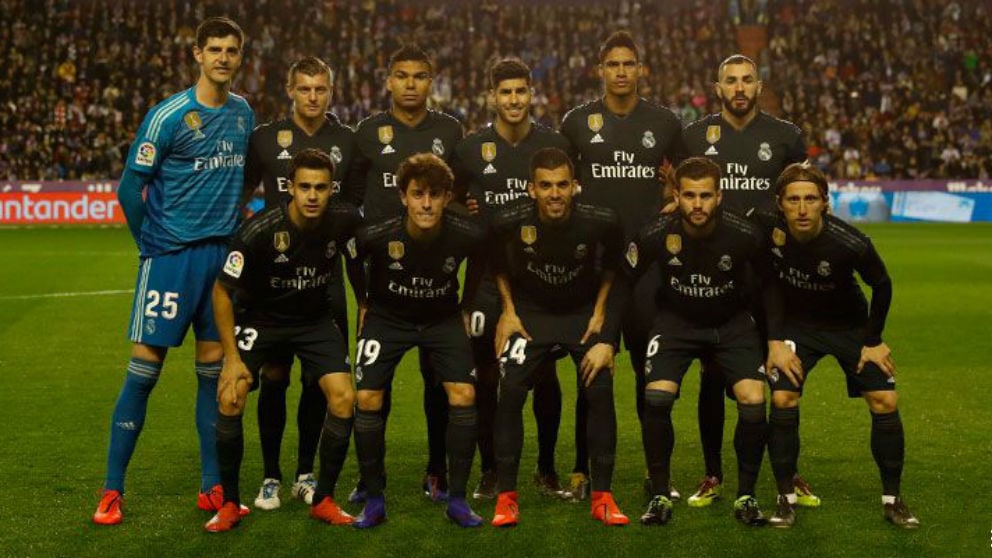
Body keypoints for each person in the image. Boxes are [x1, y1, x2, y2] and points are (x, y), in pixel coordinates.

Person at [93, 17, 254, 526]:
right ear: (197, 54)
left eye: (232, 50)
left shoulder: (243, 114)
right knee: (144, 372)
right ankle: (112, 491)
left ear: (239, 57)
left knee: (211, 374)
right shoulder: (168, 116)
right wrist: (151, 248)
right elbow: (128, 189)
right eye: (214, 49)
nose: (223, 57)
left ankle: (212, 487)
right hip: (171, 261)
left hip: (220, 263)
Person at [628, 157, 792, 527]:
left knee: (753, 401)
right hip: (676, 323)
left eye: (705, 195)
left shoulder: (744, 234)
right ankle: (658, 493)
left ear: (719, 196)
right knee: (657, 397)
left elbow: (770, 286)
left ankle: (746, 496)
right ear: (676, 195)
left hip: (731, 324)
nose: (697, 204)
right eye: (689, 195)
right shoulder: (656, 232)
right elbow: (623, 278)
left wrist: (776, 340)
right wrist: (610, 335)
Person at [205, 149, 363, 532]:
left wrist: (367, 305)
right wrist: (231, 359)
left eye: (321, 188)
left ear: (331, 190)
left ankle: (323, 498)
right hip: (263, 320)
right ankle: (228, 504)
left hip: (313, 321)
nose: (312, 195)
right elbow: (222, 292)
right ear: (289, 187)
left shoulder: (343, 220)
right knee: (231, 393)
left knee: (344, 397)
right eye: (304, 186)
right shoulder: (259, 231)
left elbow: (361, 259)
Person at [754, 163, 918, 529]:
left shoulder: (852, 243)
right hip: (797, 326)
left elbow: (883, 284)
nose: (801, 208)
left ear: (825, 203)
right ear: (779, 204)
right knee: (782, 397)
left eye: (810, 199)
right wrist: (775, 340)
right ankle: (785, 498)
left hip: (849, 327)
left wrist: (872, 341)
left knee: (884, 400)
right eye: (793, 200)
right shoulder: (767, 228)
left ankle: (893, 500)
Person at [681, 54, 813, 508]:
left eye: (747, 81)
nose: (739, 88)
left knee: (782, 377)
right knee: (712, 375)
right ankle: (713, 472)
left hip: (773, 276)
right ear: (717, 88)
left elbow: (803, 192)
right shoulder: (695, 136)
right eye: (731, 81)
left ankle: (787, 470)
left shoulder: (786, 136)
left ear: (759, 86)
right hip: (714, 278)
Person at [560, 30, 685, 500]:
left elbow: (692, 175)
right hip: (594, 269)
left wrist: (674, 199)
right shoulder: (576, 122)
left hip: (649, 271)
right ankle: (581, 472)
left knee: (652, 375)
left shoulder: (666, 123)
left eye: (628, 64)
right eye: (613, 64)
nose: (621, 72)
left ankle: (659, 476)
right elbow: (553, 176)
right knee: (592, 369)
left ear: (640, 69)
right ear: (601, 70)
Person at [451, 58, 572, 500]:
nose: (514, 100)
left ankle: (546, 468)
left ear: (531, 95)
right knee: (485, 374)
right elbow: (450, 202)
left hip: (539, 279)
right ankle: (488, 470)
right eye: (506, 93)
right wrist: (469, 213)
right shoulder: (470, 149)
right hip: (484, 279)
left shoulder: (554, 144)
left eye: (521, 91)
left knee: (545, 375)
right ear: (493, 97)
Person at [347, 44, 463, 502]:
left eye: (419, 76)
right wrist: (361, 296)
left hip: (436, 275)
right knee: (376, 381)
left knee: (437, 379)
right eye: (402, 75)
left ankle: (437, 469)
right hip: (382, 274)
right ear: (388, 81)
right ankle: (368, 476)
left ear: (430, 81)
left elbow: (462, 188)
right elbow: (353, 195)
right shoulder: (369, 132)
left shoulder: (450, 131)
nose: (410, 83)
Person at [488, 147, 628, 528]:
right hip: (530, 316)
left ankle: (603, 496)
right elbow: (494, 262)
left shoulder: (601, 221)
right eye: (546, 186)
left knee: (599, 388)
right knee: (511, 390)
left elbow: (617, 268)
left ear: (575, 186)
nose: (554, 193)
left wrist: (601, 317)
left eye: (562, 185)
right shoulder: (507, 220)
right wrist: (508, 310)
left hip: (581, 315)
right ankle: (506, 497)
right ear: (531, 189)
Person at [242, 56, 357, 510]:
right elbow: (241, 194)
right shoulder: (265, 139)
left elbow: (360, 205)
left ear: (332, 91)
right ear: (290, 89)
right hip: (272, 281)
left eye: (321, 89)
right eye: (305, 88)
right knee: (274, 377)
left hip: (326, 278)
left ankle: (305, 473)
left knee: (319, 380)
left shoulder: (348, 142)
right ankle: (270, 476)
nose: (313, 96)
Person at [350, 153, 485, 529]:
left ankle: (457, 500)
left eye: (435, 195)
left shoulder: (467, 232)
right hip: (388, 319)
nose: (426, 203)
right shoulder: (376, 235)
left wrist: (466, 305)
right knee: (367, 397)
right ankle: (374, 499)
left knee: (464, 395)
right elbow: (351, 258)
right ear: (403, 196)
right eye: (418, 194)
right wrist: (363, 303)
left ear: (447, 197)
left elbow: (480, 260)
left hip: (441, 319)